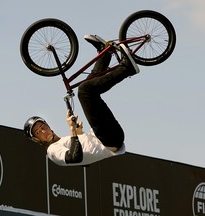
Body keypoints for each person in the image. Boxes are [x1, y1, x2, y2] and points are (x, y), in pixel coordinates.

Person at [24, 35, 139, 166]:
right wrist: (73, 129)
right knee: (85, 91)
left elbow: (85, 163)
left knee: (88, 86)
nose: (43, 131)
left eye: (42, 126)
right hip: (109, 140)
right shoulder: (52, 151)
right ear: (37, 140)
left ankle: (105, 53)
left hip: (107, 135)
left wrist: (79, 133)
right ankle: (126, 68)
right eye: (38, 132)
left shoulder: (63, 141)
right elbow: (74, 158)